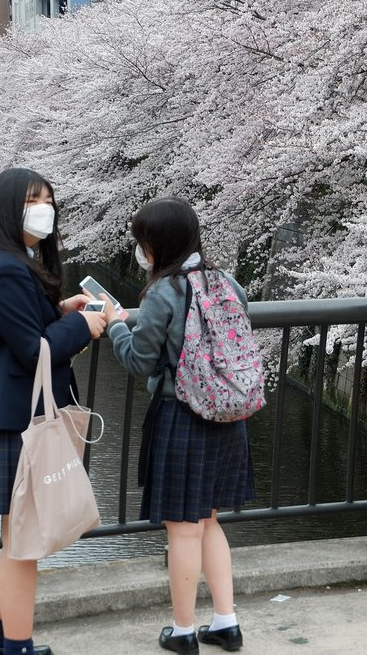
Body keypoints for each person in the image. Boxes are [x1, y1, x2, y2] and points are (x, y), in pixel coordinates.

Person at [0, 167, 108, 655]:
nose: (45, 210)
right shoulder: (2, 267)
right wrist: (84, 326)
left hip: (7, 417)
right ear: (6, 209)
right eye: (32, 202)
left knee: (16, 540)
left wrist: (61, 312)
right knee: (23, 547)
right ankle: (16, 648)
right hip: (15, 422)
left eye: (48, 200)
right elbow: (32, 349)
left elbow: (20, 330)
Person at [101, 197, 255, 654]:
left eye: (142, 241)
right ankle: (226, 622)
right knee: (209, 522)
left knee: (184, 529)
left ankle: (183, 631)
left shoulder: (163, 292)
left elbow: (139, 360)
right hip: (227, 415)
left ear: (155, 244)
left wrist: (114, 325)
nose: (140, 249)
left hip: (181, 415)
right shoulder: (227, 281)